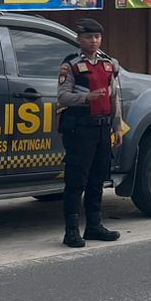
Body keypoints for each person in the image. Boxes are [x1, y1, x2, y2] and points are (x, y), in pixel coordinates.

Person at [56, 18, 123, 249]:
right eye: (88, 37)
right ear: (79, 39)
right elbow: (62, 96)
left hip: (102, 129)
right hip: (80, 130)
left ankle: (94, 226)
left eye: (97, 37)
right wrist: (86, 98)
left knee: (97, 180)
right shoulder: (71, 65)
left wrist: (117, 126)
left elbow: (115, 97)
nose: (93, 41)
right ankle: (71, 232)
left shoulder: (108, 64)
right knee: (76, 182)